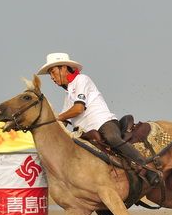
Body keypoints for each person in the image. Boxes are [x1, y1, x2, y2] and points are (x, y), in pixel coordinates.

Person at [36, 52, 158, 186]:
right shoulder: (67, 95)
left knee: (112, 138)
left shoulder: (82, 80)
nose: (52, 78)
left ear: (64, 68)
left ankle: (147, 168)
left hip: (103, 123)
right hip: (87, 133)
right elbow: (63, 122)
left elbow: (78, 109)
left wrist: (57, 117)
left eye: (53, 72)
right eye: (50, 74)